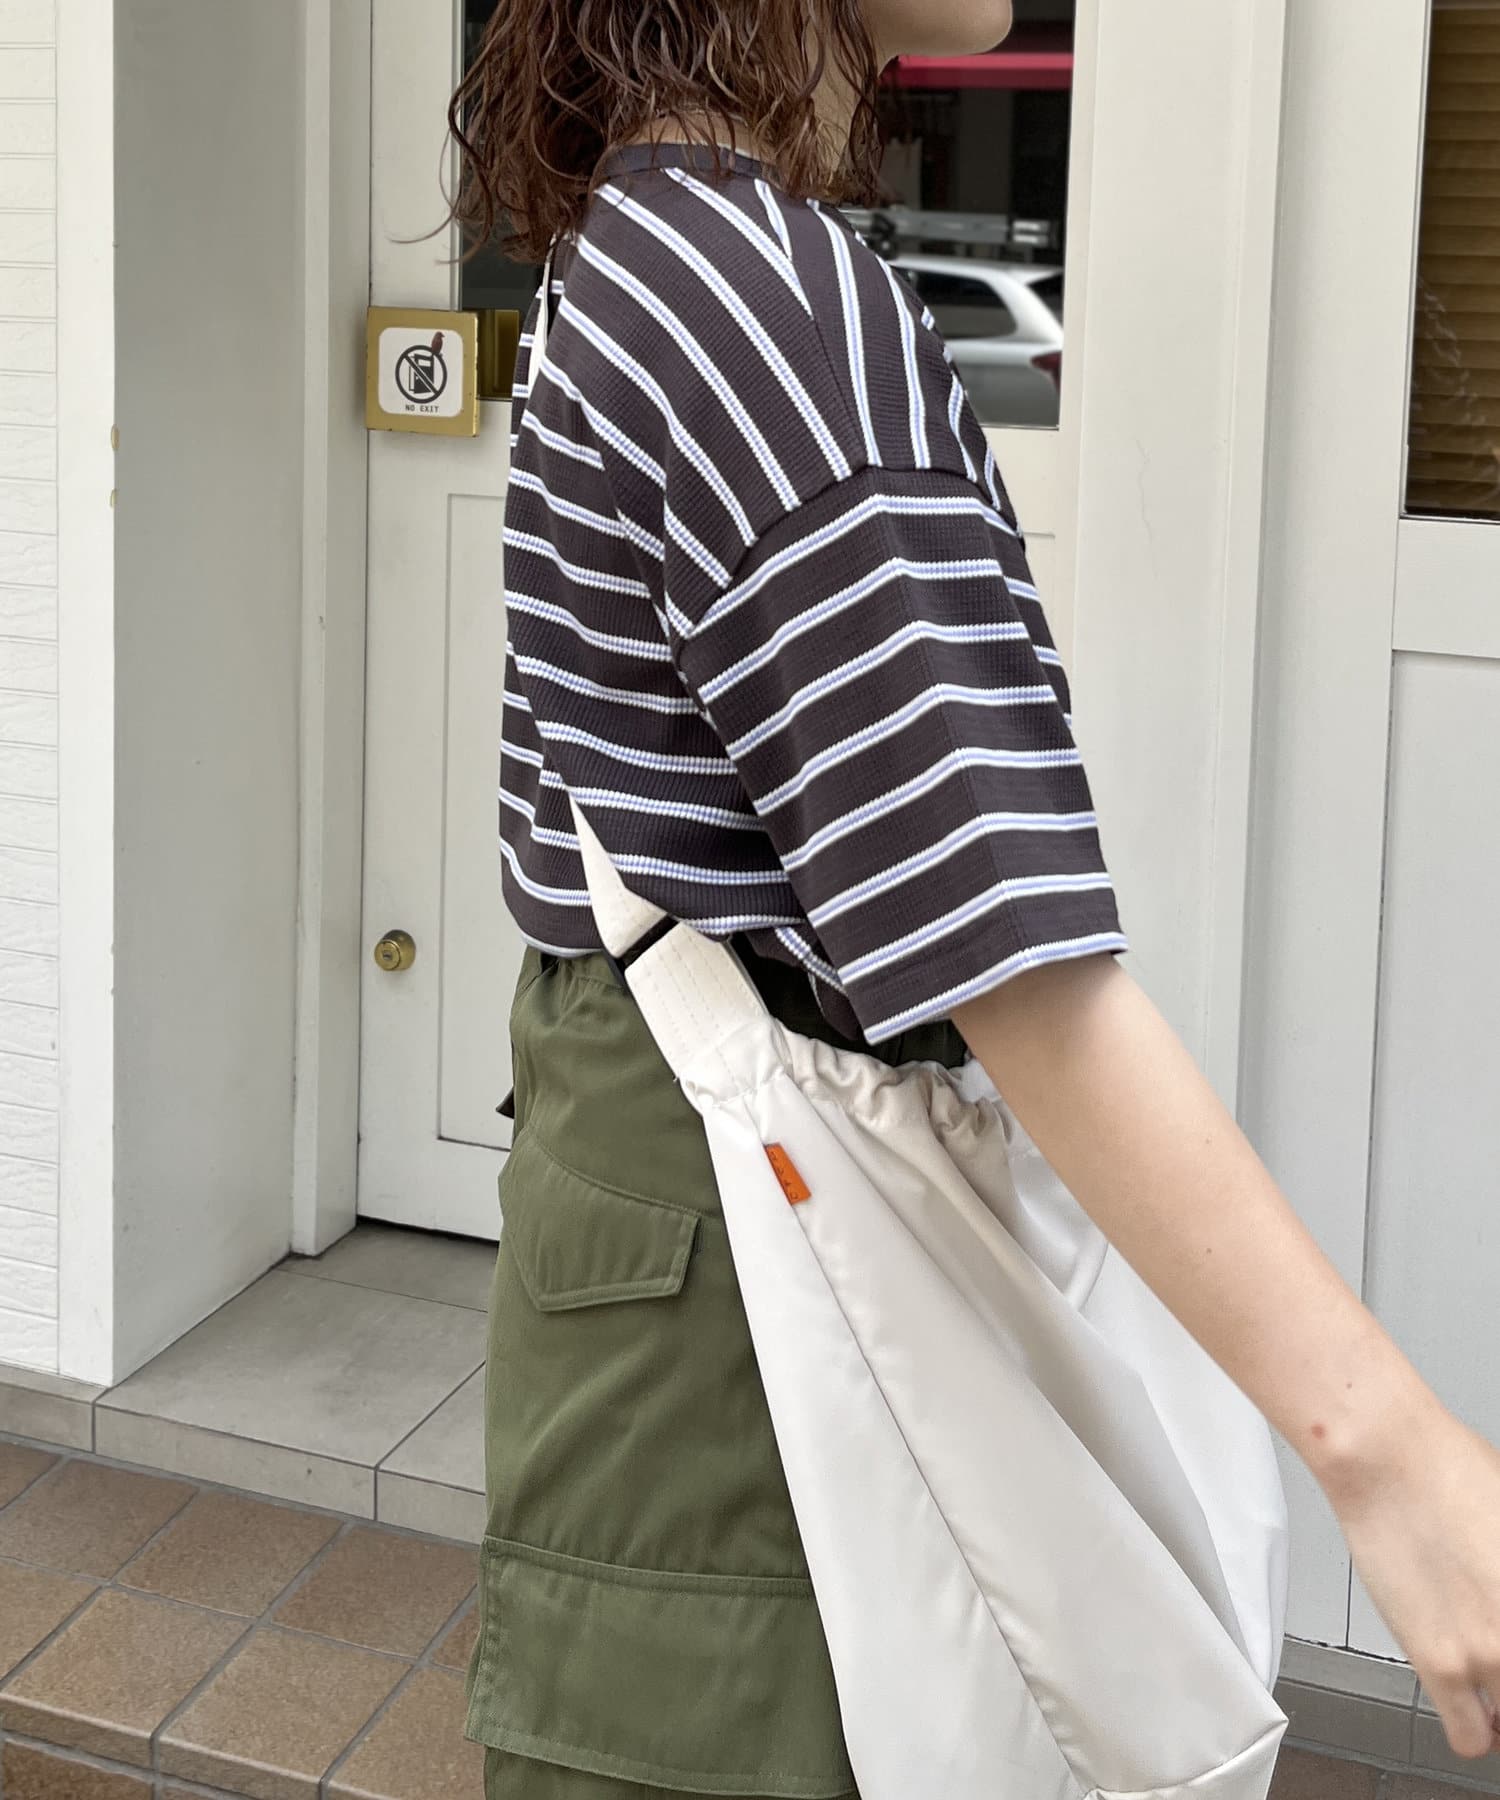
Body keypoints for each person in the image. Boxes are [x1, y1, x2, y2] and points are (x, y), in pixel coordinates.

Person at [450, 3, 1500, 1793]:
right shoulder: (765, 299)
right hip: (743, 1315)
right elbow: (1007, 958)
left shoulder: (633, 236)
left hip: (650, 1227)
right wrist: (1389, 1453)